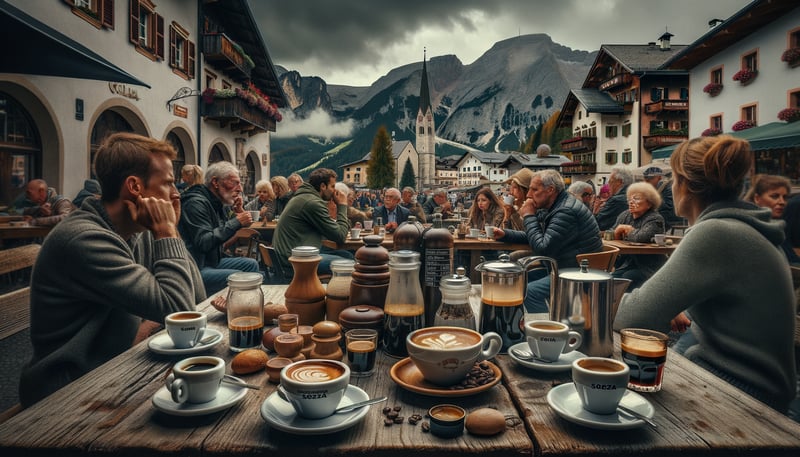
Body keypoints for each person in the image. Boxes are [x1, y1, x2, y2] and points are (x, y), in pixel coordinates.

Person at [19, 132, 205, 406]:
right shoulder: (83, 238)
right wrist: (166, 232)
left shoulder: (137, 231)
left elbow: (196, 296)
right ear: (134, 186)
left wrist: (171, 230)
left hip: (114, 367)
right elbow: (180, 309)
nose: (176, 193)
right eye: (168, 183)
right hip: (67, 390)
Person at [614, 135, 797, 414]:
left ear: (685, 185)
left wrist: (590, 300)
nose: (670, 187)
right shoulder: (744, 229)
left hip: (743, 398)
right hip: (749, 388)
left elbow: (630, 318)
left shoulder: (717, 233)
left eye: (673, 179)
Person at [496, 169, 602, 313]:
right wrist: (505, 234)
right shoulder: (556, 206)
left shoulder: (565, 211)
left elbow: (542, 248)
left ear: (550, 190)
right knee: (517, 280)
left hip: (577, 272)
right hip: (564, 267)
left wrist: (528, 216)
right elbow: (538, 237)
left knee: (531, 293)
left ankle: (546, 330)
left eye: (534, 189)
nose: (529, 194)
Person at [179, 161, 260, 295]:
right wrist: (236, 222)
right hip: (195, 267)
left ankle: (249, 306)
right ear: (215, 182)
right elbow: (204, 242)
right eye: (235, 183)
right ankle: (239, 311)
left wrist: (237, 215)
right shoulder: (195, 203)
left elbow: (221, 239)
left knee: (251, 264)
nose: (240, 189)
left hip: (210, 261)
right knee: (240, 276)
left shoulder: (214, 203)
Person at [272, 167, 352, 277]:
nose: (334, 190)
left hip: (290, 253)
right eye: (332, 186)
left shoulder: (304, 196)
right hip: (294, 260)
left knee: (347, 255)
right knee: (348, 264)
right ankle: (338, 293)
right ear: (323, 186)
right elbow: (340, 236)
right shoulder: (312, 203)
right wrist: (342, 205)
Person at [610, 182, 667, 288]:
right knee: (612, 279)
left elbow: (641, 238)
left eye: (636, 199)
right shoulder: (625, 215)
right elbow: (612, 233)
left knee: (626, 279)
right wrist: (615, 233)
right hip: (626, 264)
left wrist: (628, 229)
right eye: (629, 199)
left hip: (648, 267)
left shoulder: (655, 219)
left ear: (649, 203)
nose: (631, 202)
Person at [743, 174, 800, 265]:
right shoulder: (751, 228)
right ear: (757, 198)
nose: (782, 202)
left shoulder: (778, 227)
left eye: (785, 197)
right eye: (774, 196)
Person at [642, 166, 681, 231]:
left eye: (649, 179)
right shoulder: (655, 188)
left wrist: (652, 199)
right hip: (662, 218)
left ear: (659, 178)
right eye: (645, 179)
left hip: (669, 219)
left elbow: (669, 206)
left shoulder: (667, 188)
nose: (646, 182)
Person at [596, 167, 635, 231]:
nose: (608, 185)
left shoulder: (615, 200)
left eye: (610, 182)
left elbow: (599, 224)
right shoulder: (634, 196)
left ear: (619, 182)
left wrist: (595, 212)